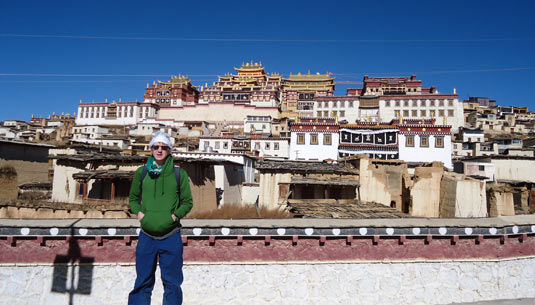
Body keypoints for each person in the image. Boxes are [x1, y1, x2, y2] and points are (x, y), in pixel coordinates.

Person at [128, 131, 193, 305]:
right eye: (156, 146)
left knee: (172, 283)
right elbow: (133, 199)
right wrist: (141, 215)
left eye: (164, 147)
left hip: (171, 235)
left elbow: (187, 202)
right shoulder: (141, 173)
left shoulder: (180, 174)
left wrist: (175, 216)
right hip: (146, 235)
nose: (159, 150)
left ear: (169, 150)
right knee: (142, 282)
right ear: (150, 149)